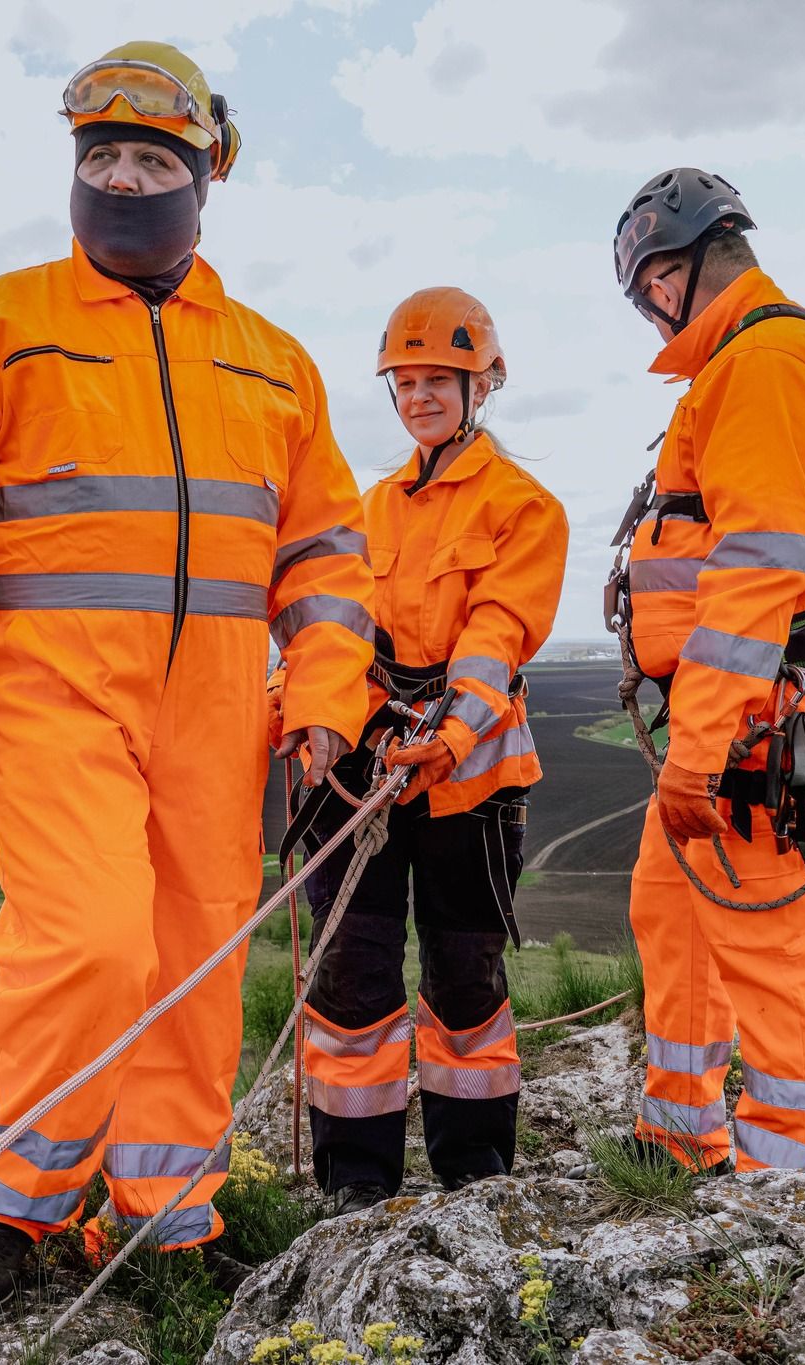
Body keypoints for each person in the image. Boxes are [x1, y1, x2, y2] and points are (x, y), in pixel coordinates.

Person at [0, 41, 375, 1313]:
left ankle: (163, 1208)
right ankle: (12, 1203)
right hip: (48, 701)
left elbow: (324, 557)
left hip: (216, 718)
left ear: (204, 177)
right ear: (73, 170)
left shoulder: (274, 362)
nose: (124, 176)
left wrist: (320, 697)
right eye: (101, 154)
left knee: (196, 960)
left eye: (153, 156)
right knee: (87, 946)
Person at [610, 169, 805, 1173]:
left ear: (672, 270)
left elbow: (758, 569)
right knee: (671, 901)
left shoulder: (766, 361)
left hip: (766, 708)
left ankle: (781, 1178)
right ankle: (678, 1136)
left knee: (768, 934)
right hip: (740, 703)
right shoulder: (740, 363)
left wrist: (698, 748)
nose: (648, 313)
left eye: (647, 289)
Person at [285, 287, 567, 1214]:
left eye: (437, 381)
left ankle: (473, 1167)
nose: (418, 398)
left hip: (470, 782)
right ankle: (356, 1178)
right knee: (351, 972)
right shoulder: (367, 509)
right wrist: (314, 714)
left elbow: (497, 632)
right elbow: (337, 629)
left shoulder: (524, 508)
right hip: (363, 770)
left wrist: (447, 734)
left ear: (482, 384)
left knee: (464, 975)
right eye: (403, 384)